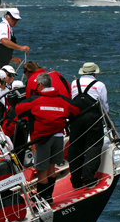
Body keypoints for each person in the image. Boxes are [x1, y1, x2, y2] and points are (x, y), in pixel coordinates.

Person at [16, 73, 79, 204]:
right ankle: (49, 196)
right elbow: (75, 111)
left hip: (42, 139)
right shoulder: (62, 100)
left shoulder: (34, 100)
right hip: (58, 137)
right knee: (51, 168)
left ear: (40, 85)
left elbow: (18, 109)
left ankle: (43, 198)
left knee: (41, 171)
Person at [68, 62, 109, 189]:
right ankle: (89, 179)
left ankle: (75, 181)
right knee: (93, 147)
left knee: (75, 148)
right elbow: (105, 107)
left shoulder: (74, 83)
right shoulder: (100, 85)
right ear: (94, 73)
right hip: (93, 119)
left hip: (76, 119)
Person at [0, 8, 30, 76]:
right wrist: (20, 47)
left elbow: (2, 47)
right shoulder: (3, 26)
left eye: (17, 19)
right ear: (7, 16)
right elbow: (4, 41)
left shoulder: (8, 27)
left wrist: (10, 57)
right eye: (13, 18)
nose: (15, 21)